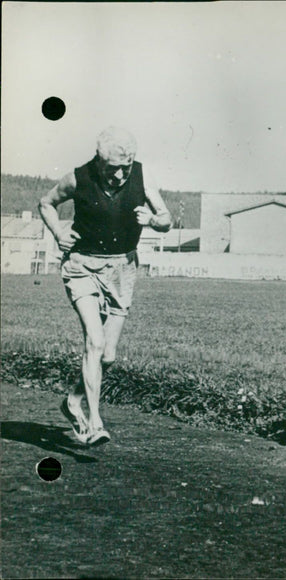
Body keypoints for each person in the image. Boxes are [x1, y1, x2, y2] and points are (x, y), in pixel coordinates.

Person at [39, 126, 172, 445]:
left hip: (122, 269)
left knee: (108, 356)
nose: (120, 175)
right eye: (113, 170)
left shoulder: (142, 176)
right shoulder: (78, 178)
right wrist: (58, 233)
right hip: (82, 265)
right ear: (99, 163)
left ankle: (73, 400)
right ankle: (95, 423)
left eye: (126, 167)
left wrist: (153, 221)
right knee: (94, 342)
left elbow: (166, 218)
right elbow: (46, 203)